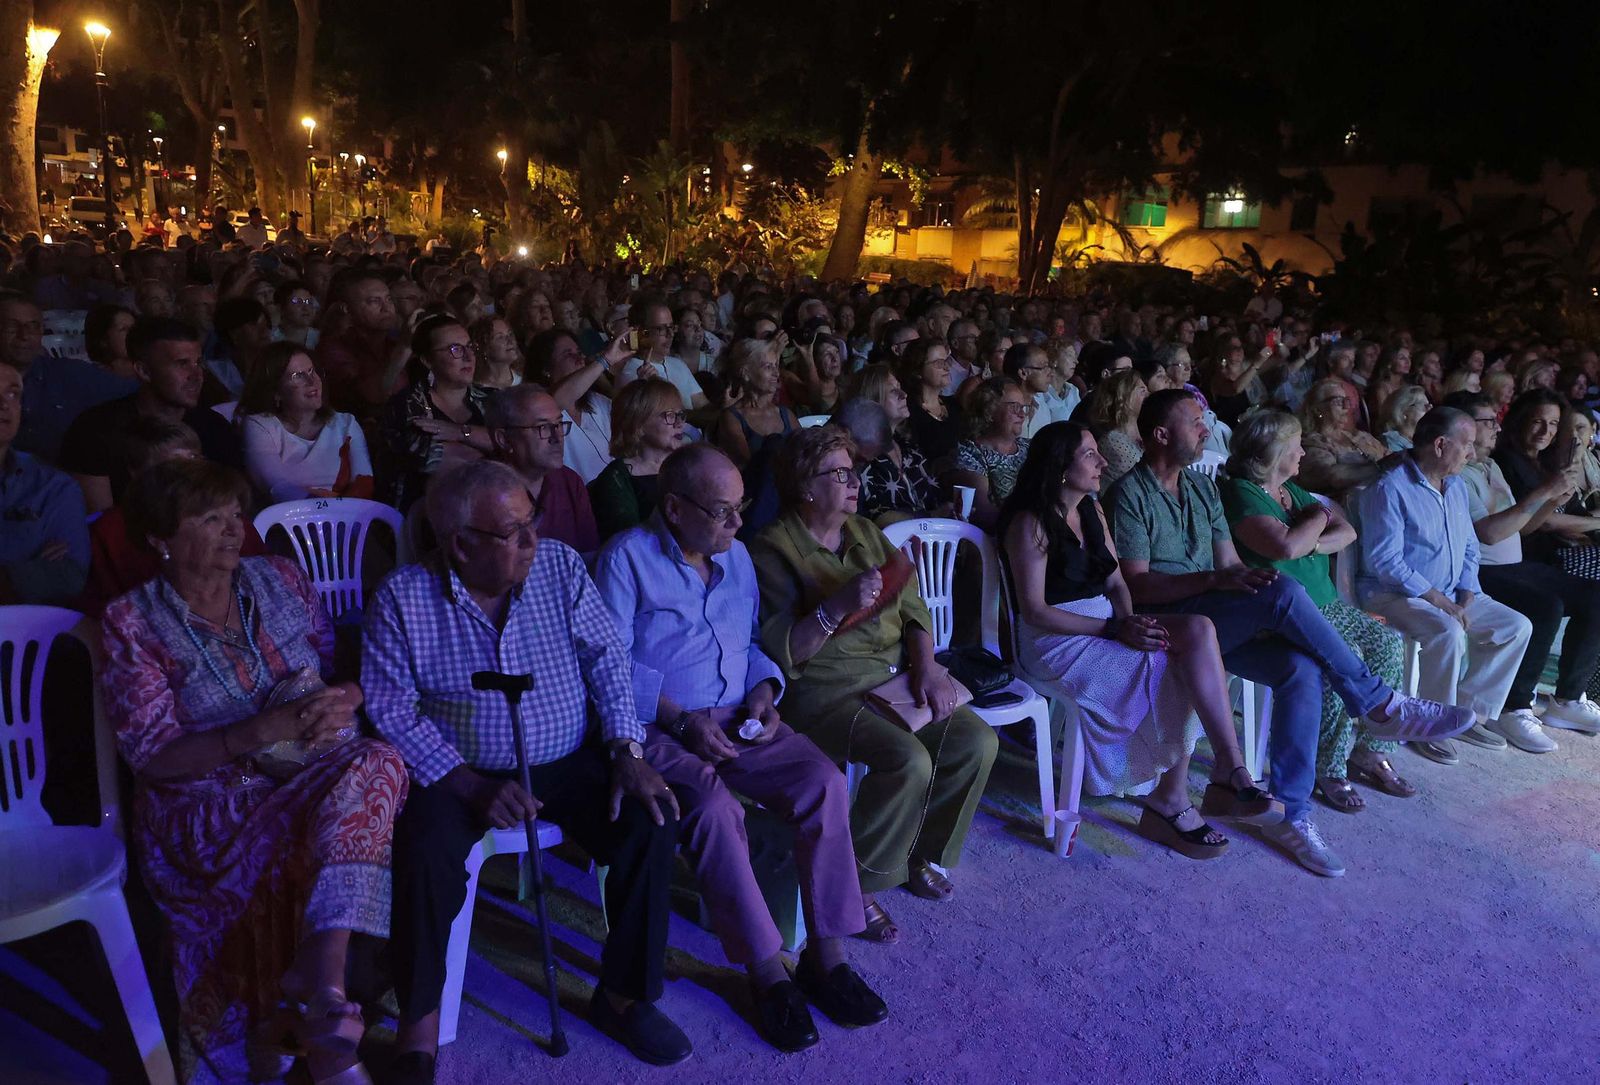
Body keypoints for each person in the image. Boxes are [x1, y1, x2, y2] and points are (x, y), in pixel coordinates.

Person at [363, 459, 689, 1075]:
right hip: (456, 772)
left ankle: (623, 997)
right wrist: (466, 783)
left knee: (650, 818)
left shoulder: (560, 568)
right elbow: (390, 709)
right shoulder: (403, 597)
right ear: (461, 544)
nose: (533, 540)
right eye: (513, 532)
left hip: (565, 758)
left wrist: (626, 750)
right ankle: (418, 1028)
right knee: (423, 855)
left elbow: (606, 659)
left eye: (530, 522)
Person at [100, 458, 407, 1083]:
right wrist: (260, 731)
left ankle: (319, 982)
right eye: (209, 518)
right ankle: (316, 1011)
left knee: (379, 761)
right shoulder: (131, 621)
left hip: (310, 773)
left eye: (235, 514)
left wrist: (343, 699)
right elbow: (154, 758)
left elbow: (338, 670)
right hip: (210, 805)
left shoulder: (282, 578)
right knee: (351, 802)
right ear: (160, 537)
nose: (232, 529)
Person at [1106, 390, 1471, 876]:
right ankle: (1378, 703)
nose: (1206, 429)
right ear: (1161, 434)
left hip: (1214, 618)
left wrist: (1241, 580)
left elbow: (1229, 564)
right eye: (1195, 423)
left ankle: (1291, 814)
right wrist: (1223, 582)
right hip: (1167, 620)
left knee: (1300, 668)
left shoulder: (1200, 489)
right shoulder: (1130, 494)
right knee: (1281, 592)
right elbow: (1138, 585)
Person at [595, 443, 886, 1051]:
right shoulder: (627, 558)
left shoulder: (737, 557)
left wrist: (764, 690)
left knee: (823, 783)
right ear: (674, 508)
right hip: (658, 727)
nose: (735, 523)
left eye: (740, 508)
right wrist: (680, 722)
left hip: (737, 719)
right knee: (712, 809)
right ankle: (767, 973)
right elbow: (609, 666)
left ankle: (826, 957)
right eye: (721, 511)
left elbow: (751, 642)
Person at [750, 427, 998, 941]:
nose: (854, 482)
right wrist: (836, 606)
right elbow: (784, 651)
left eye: (854, 471)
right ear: (806, 486)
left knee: (976, 740)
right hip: (825, 689)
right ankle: (855, 887)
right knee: (908, 761)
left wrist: (927, 667)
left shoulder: (864, 530)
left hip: (894, 679)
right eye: (839, 474)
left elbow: (914, 608)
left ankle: (915, 853)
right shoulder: (772, 548)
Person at [1001, 422, 1280, 859]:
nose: (1103, 461)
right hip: (1055, 640)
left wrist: (1131, 623)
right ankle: (1171, 800)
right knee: (1174, 664)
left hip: (1105, 622)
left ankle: (1230, 767)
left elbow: (1116, 584)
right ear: (1060, 467)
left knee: (1198, 632)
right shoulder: (1030, 523)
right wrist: (1114, 631)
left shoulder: (1091, 511)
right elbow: (1034, 610)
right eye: (1090, 454)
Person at [1221, 411, 1416, 811]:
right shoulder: (1243, 493)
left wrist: (1311, 536)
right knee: (1343, 659)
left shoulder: (1290, 490)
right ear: (1273, 453)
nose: (1302, 453)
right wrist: (1317, 520)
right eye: (1295, 447)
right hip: (1286, 614)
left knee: (1388, 643)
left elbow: (1347, 532)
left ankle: (1369, 750)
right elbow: (1283, 548)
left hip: (1327, 602)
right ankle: (1328, 767)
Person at [1355, 407, 1537, 758]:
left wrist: (1466, 592)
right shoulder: (1390, 488)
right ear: (1440, 445)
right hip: (1395, 595)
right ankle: (1431, 725)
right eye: (1466, 444)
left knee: (1515, 627)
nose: (1472, 454)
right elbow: (1386, 562)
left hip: (1452, 593)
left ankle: (1466, 715)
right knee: (1447, 631)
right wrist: (1440, 600)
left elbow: (1470, 547)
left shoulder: (1455, 486)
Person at [1455, 393, 1600, 743]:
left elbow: (1524, 527)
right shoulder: (1461, 474)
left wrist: (1552, 500)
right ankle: (1514, 708)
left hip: (1515, 565)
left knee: (1595, 595)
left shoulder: (1490, 467)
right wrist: (1543, 493)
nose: (1496, 427)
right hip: (1481, 572)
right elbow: (1489, 534)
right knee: (1546, 606)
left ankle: (1568, 699)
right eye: (1488, 422)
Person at [57, 316, 244, 513]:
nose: (197, 375)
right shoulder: (94, 431)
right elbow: (100, 522)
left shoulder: (214, 427)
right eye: (182, 364)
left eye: (198, 363)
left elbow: (236, 506)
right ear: (144, 371)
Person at [3, 291, 137, 462]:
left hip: (61, 474)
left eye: (33, 326)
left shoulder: (67, 374)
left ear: (42, 331)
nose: (24, 335)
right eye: (12, 326)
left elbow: (135, 392)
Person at [379, 315, 493, 511]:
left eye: (470, 346)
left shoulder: (491, 399)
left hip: (488, 504)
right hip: (424, 512)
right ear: (427, 360)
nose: (468, 356)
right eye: (455, 349)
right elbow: (429, 458)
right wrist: (493, 446)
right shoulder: (407, 404)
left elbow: (517, 441)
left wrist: (460, 432)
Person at [239, 342, 374, 503]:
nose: (312, 381)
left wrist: (337, 510)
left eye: (311, 371)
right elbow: (278, 488)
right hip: (288, 517)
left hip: (346, 516)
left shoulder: (346, 423)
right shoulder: (260, 425)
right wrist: (327, 506)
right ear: (276, 392)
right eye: (298, 375)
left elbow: (364, 484)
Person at [0, 362, 89, 605]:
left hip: (28, 625)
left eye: (12, 394)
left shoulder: (54, 487)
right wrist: (25, 569)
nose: (4, 404)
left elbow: (69, 577)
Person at [1495, 389, 1600, 576]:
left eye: (1553, 423)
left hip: (1565, 550)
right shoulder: (1504, 462)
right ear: (1520, 421)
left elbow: (1578, 512)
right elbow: (1542, 523)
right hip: (1535, 560)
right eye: (1537, 422)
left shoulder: (1547, 463)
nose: (1546, 431)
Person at [485, 384, 599, 554]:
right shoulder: (479, 493)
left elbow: (589, 556)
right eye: (542, 427)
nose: (557, 437)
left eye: (559, 424)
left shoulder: (569, 481)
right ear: (504, 439)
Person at [529, 326, 629, 484]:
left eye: (579, 352)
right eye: (568, 354)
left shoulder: (597, 401)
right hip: (578, 495)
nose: (579, 358)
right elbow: (554, 402)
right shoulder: (539, 406)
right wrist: (605, 360)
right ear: (546, 369)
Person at [589, 378, 686, 540]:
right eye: (669, 415)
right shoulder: (616, 479)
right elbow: (628, 543)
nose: (679, 423)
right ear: (638, 423)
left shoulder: (688, 466)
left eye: (680, 415)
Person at [835, 396, 944, 523]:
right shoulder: (824, 465)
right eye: (860, 460)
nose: (856, 481)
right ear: (845, 435)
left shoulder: (906, 447)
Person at [316, 271, 405, 418]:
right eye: (374, 301)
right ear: (347, 309)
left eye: (389, 299)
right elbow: (370, 397)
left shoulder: (392, 344)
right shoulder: (333, 349)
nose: (386, 308)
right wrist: (404, 350)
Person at [950, 376, 1031, 531]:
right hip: (997, 536)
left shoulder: (1031, 447)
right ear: (989, 409)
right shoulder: (970, 453)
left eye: (1024, 407)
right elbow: (983, 511)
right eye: (1014, 407)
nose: (1022, 414)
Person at [1296, 377, 1389, 499]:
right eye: (1338, 401)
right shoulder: (1312, 444)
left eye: (1347, 401)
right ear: (1318, 410)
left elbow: (1389, 456)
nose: (1346, 407)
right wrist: (1381, 468)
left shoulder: (1360, 436)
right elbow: (1330, 476)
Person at [619, 301, 710, 412]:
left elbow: (703, 406)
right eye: (661, 329)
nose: (670, 334)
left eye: (671, 327)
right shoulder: (632, 372)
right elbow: (671, 418)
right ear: (641, 332)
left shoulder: (678, 364)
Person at [896, 338, 962, 467]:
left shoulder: (954, 405)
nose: (947, 367)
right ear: (917, 371)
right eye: (939, 363)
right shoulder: (908, 411)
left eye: (947, 361)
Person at [1085, 369, 1148, 489]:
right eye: (1142, 390)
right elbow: (1145, 479)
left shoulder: (1144, 433)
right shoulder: (1113, 441)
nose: (1148, 395)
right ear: (1123, 397)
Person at [84, 302, 139, 380]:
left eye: (134, 328)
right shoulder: (89, 377)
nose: (134, 333)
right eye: (124, 329)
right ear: (103, 340)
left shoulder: (148, 370)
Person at [469, 315, 523, 389]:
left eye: (510, 334)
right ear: (484, 347)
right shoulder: (475, 389)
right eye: (500, 337)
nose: (510, 340)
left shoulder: (525, 383)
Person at [1378, 385, 1431, 452]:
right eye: (1423, 405)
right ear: (1403, 411)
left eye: (1429, 405)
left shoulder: (1423, 444)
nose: (1429, 409)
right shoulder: (1389, 443)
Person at [275, 282, 322, 350]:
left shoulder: (320, 339)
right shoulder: (269, 339)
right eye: (298, 302)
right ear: (281, 308)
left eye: (309, 302)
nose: (306, 308)